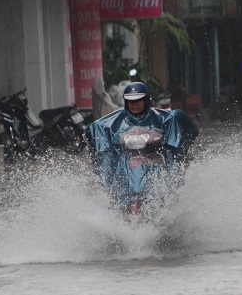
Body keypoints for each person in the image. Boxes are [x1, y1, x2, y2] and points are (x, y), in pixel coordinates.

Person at [85, 81, 199, 210]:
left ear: (146, 100)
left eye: (138, 100)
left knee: (163, 203)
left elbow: (188, 134)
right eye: (131, 101)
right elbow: (98, 145)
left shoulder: (165, 118)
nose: (134, 104)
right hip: (126, 176)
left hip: (156, 173)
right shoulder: (110, 123)